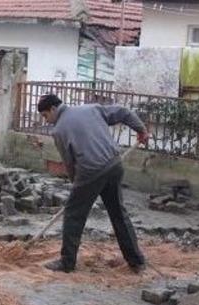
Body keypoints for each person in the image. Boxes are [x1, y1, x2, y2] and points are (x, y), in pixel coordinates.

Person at [37, 93, 150, 274]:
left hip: (90, 171)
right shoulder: (91, 108)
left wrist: (76, 185)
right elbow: (123, 112)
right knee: (118, 214)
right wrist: (141, 130)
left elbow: (69, 162)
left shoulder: (59, 131)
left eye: (45, 115)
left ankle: (67, 263)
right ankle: (136, 261)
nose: (47, 120)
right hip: (114, 165)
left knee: (74, 215)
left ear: (53, 109)